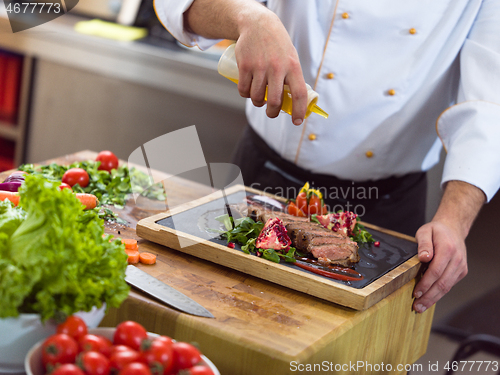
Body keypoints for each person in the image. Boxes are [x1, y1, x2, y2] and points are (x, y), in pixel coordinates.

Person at [154, 0, 500, 314]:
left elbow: (491, 101)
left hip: (391, 206)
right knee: (223, 318)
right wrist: (249, 17)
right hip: (263, 179)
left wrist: (455, 219)